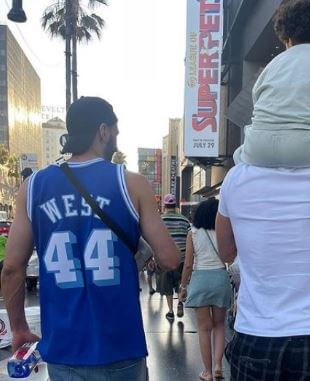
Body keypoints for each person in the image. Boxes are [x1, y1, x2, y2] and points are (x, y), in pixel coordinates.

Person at [1, 96, 180, 381]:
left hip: (63, 349)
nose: (116, 140)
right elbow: (171, 258)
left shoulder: (33, 187)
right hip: (121, 347)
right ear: (103, 131)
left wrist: (19, 327)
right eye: (116, 132)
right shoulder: (132, 184)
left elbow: (11, 268)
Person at [232, 0, 310, 270]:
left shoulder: (272, 66)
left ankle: (244, 249)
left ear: (287, 35)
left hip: (256, 148)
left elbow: (262, 110)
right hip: (307, 146)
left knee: (245, 172)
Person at [179, 198, 231, 381]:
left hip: (200, 279)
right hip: (220, 278)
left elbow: (187, 264)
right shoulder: (224, 232)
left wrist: (183, 286)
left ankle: (207, 372)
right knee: (219, 325)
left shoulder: (192, 233)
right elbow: (231, 257)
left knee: (203, 328)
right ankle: (218, 366)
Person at [158, 194, 191, 321]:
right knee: (179, 283)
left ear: (165, 205)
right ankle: (180, 304)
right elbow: (190, 239)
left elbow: (156, 239)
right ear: (175, 205)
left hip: (166, 259)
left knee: (167, 286)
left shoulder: (160, 220)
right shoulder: (184, 220)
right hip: (181, 259)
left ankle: (170, 311)